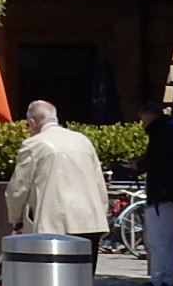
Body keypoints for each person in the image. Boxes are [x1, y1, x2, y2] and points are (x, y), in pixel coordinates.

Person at [7, 100, 109, 251]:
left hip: (53, 226)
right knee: (84, 273)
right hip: (90, 222)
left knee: (52, 273)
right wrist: (101, 214)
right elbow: (99, 184)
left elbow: (17, 189)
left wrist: (16, 219)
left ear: (32, 122)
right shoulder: (83, 141)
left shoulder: (33, 144)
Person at [134, 103, 173, 286]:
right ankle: (171, 281)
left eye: (143, 119)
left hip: (162, 194)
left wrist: (139, 164)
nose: (142, 124)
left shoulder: (160, 134)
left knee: (156, 240)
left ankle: (157, 282)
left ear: (150, 115)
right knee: (170, 240)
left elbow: (157, 162)